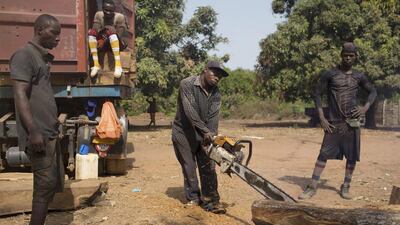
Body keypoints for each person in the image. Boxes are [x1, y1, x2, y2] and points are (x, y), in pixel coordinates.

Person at [298, 42, 377, 200]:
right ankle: (312, 186)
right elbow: (317, 94)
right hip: (333, 122)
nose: (348, 58)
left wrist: (364, 109)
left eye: (351, 56)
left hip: (352, 123)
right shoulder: (330, 75)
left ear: (355, 57)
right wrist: (322, 117)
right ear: (341, 56)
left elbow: (373, 91)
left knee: (352, 156)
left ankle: (346, 186)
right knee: (323, 154)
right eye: (345, 55)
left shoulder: (359, 76)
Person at [10, 14, 64, 225]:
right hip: (39, 134)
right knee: (42, 188)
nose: (58, 39)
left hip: (48, 132)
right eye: (54, 33)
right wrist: (33, 131)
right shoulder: (24, 55)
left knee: (49, 185)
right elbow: (20, 94)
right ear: (40, 29)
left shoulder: (39, 57)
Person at [171, 61, 229, 214]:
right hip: (183, 133)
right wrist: (205, 131)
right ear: (205, 70)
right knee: (189, 167)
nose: (217, 78)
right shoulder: (187, 84)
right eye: (215, 73)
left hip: (202, 133)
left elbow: (213, 118)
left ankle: (211, 200)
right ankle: (194, 198)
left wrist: (211, 139)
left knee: (208, 165)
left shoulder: (216, 94)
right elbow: (189, 111)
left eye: (220, 76)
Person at [88, 0, 127, 78]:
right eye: (106, 10)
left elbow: (120, 35)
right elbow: (95, 30)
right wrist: (102, 37)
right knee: (91, 33)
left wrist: (108, 30)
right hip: (104, 42)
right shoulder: (98, 15)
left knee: (111, 31)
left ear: (114, 10)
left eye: (111, 11)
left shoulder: (119, 17)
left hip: (117, 43)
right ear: (102, 9)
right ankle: (96, 65)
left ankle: (118, 66)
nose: (108, 12)